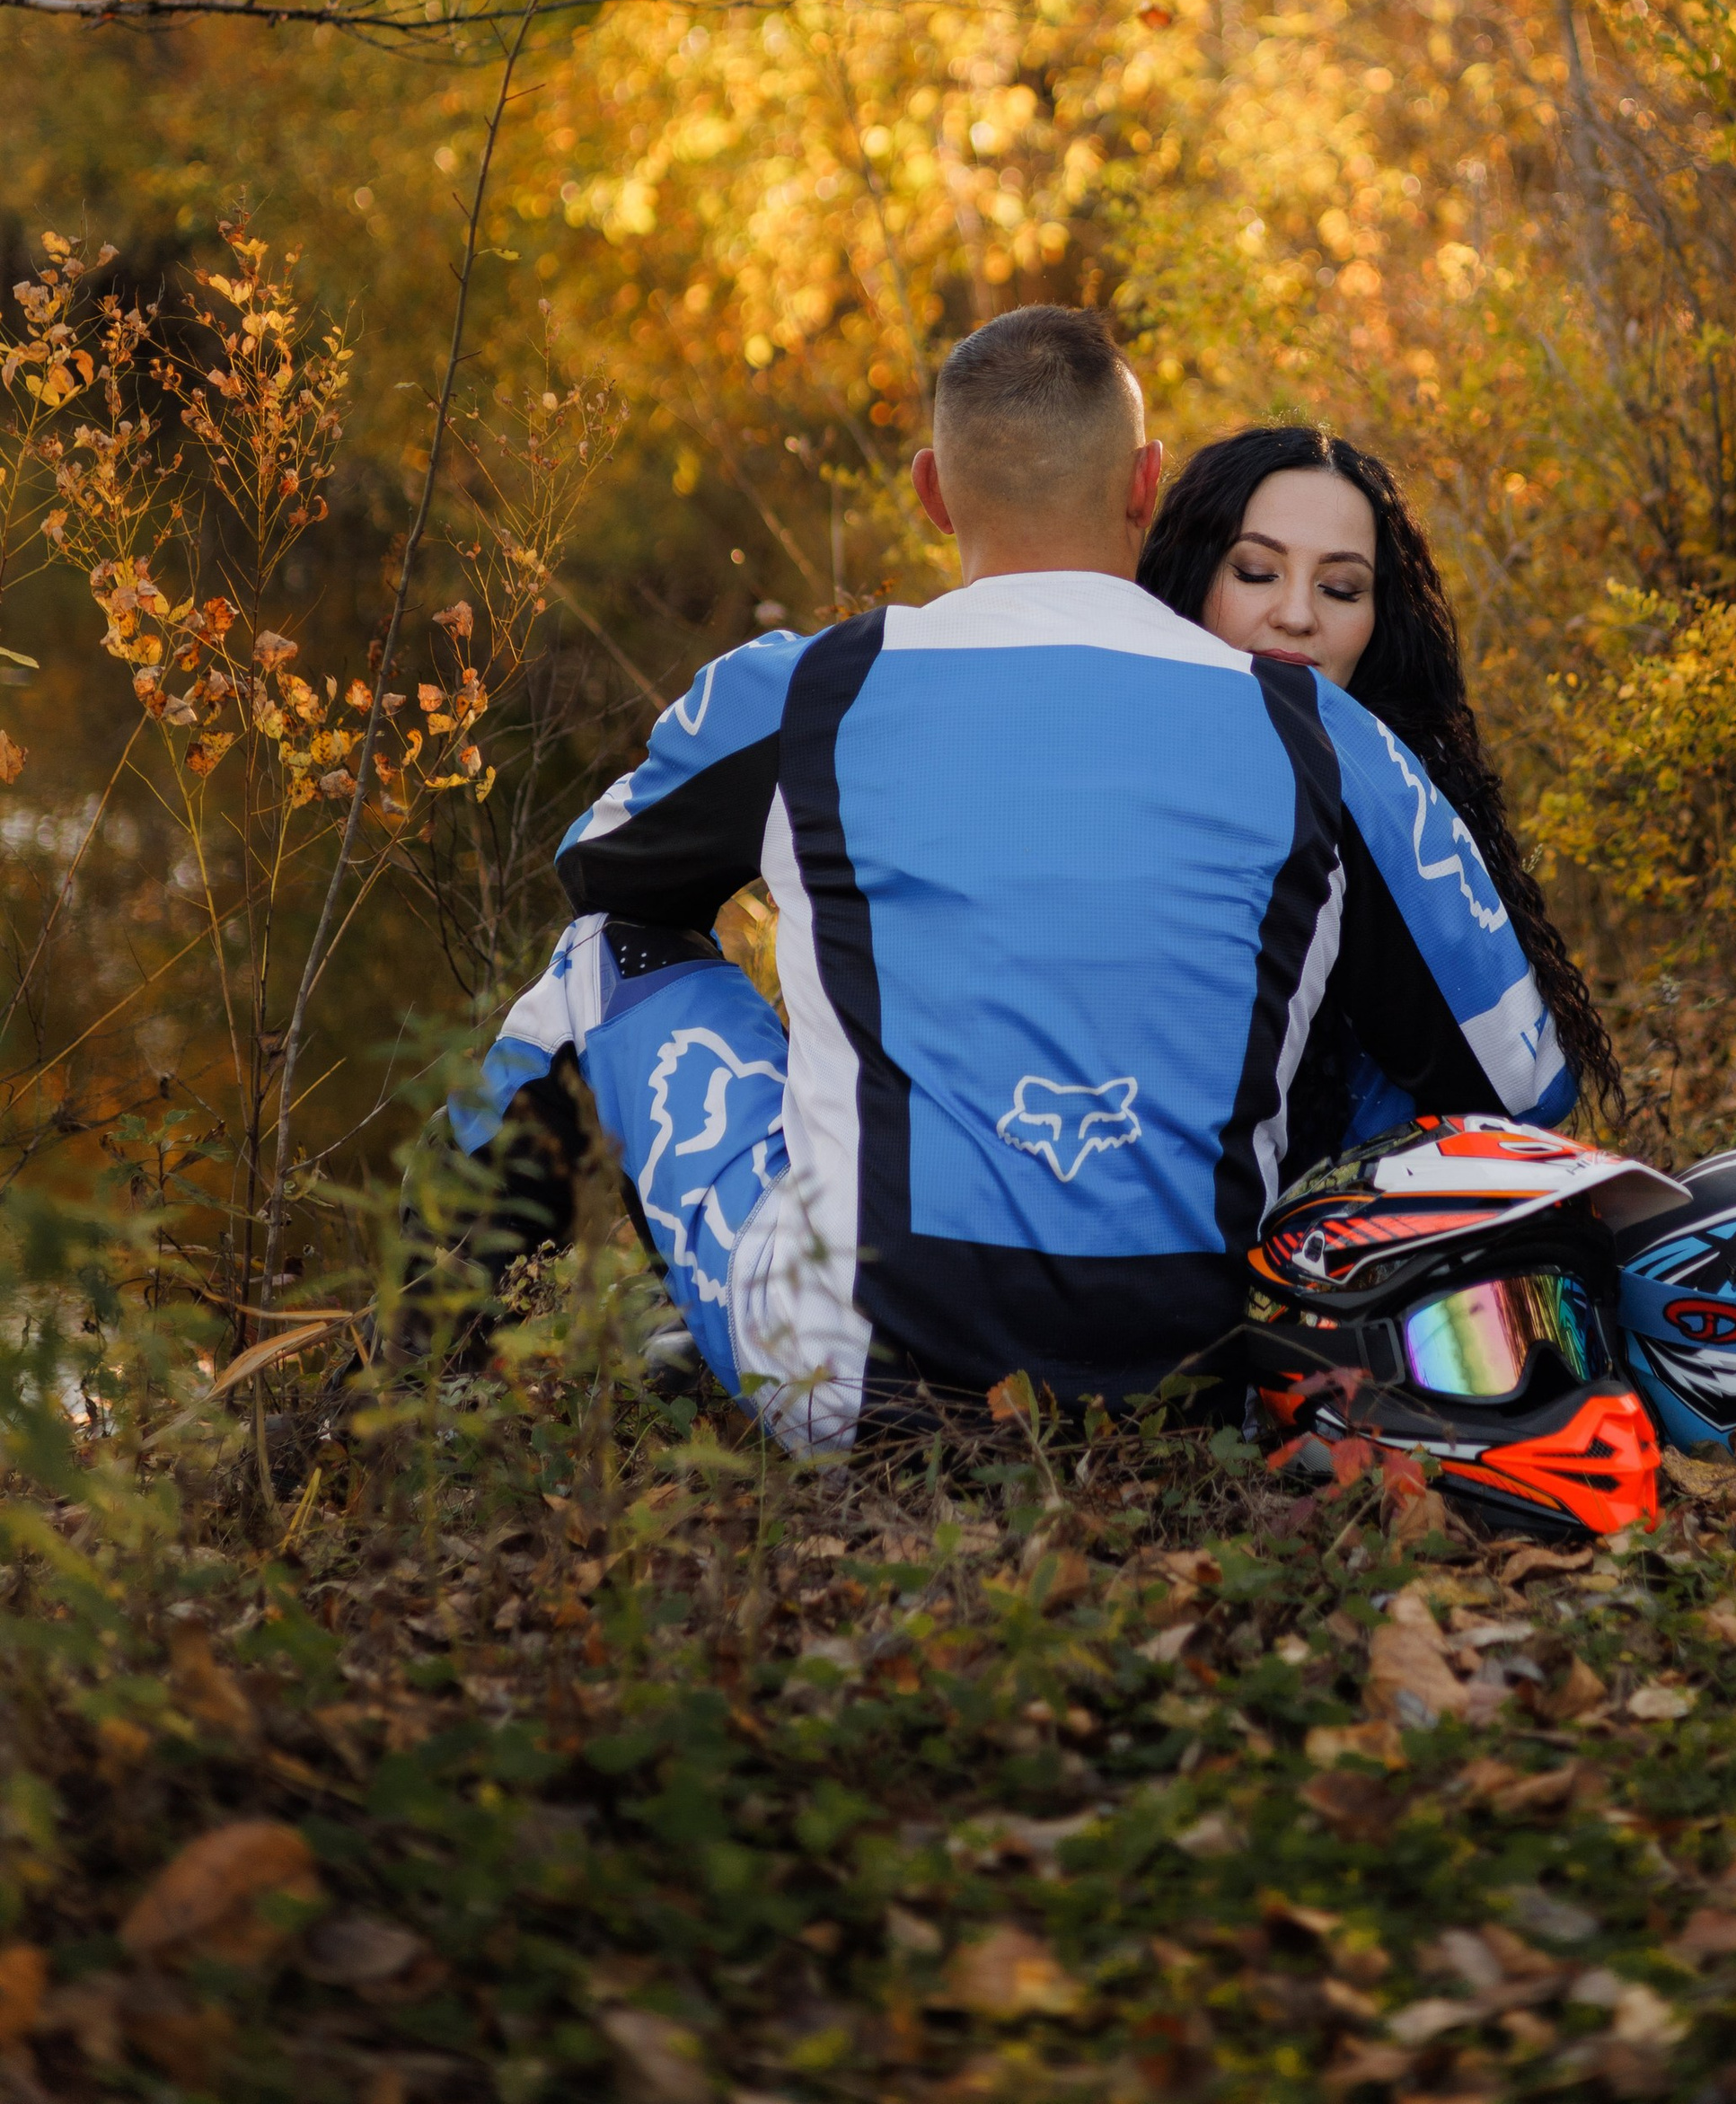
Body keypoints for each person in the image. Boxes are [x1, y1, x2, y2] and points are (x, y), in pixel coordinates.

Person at [450, 311, 1577, 1449]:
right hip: (1204, 1383)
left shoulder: (803, 692)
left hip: (858, 1387)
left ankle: (421, 1380)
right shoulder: (1325, 736)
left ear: (933, 492)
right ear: (1145, 485)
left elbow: (605, 872)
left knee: (605, 952)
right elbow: (1521, 1084)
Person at [1135, 424, 1618, 1151]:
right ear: (1191, 580)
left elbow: (1514, 1093)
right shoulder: (1110, 771)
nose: (1297, 614)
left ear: (1378, 618)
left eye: (1340, 588)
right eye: (1256, 572)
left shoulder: (1378, 789)